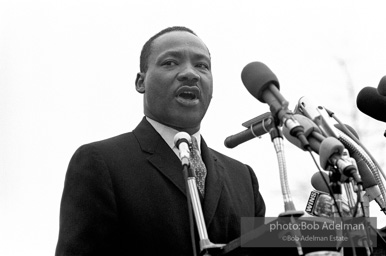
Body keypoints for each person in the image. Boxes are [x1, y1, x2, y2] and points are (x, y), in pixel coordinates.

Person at [55, 26, 266, 256]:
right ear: (140, 82)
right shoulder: (101, 162)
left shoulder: (242, 177)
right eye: (170, 63)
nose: (190, 73)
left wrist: (312, 219)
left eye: (201, 65)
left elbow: (278, 246)